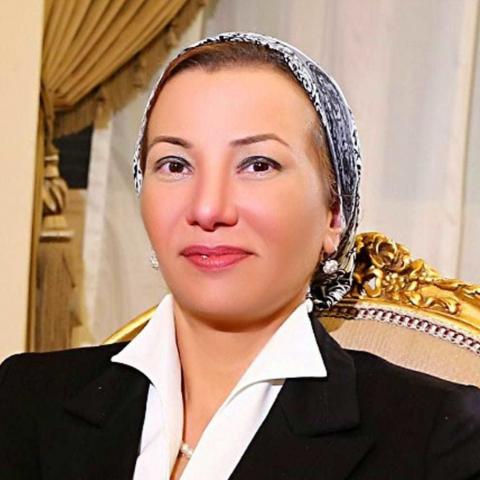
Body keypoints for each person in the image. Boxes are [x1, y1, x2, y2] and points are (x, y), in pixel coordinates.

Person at [1, 32, 480, 480]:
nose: (208, 209)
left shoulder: (438, 438)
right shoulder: (25, 399)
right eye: (175, 165)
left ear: (334, 213)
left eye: (258, 164)